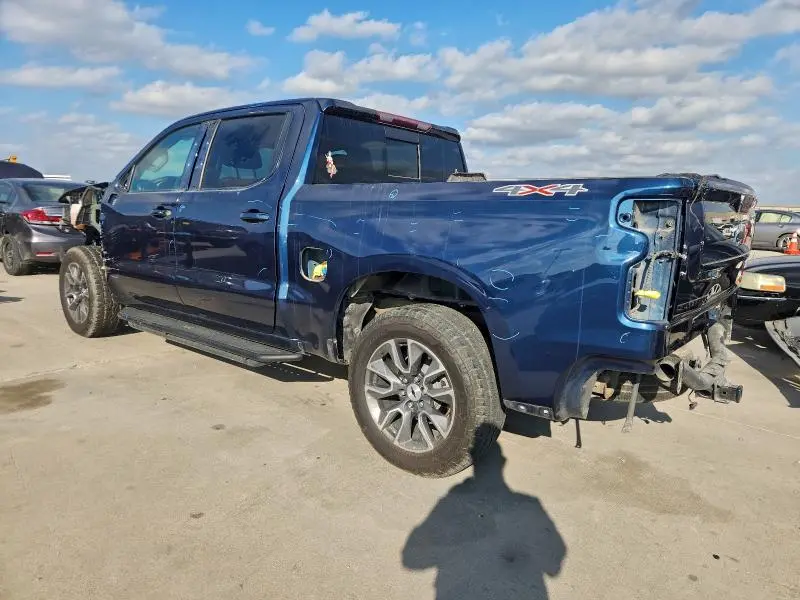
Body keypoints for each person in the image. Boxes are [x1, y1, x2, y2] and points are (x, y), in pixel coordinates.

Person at [402, 424, 566, 599]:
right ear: (503, 463)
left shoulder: (454, 496)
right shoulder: (532, 505)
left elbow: (411, 559)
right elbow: (554, 566)